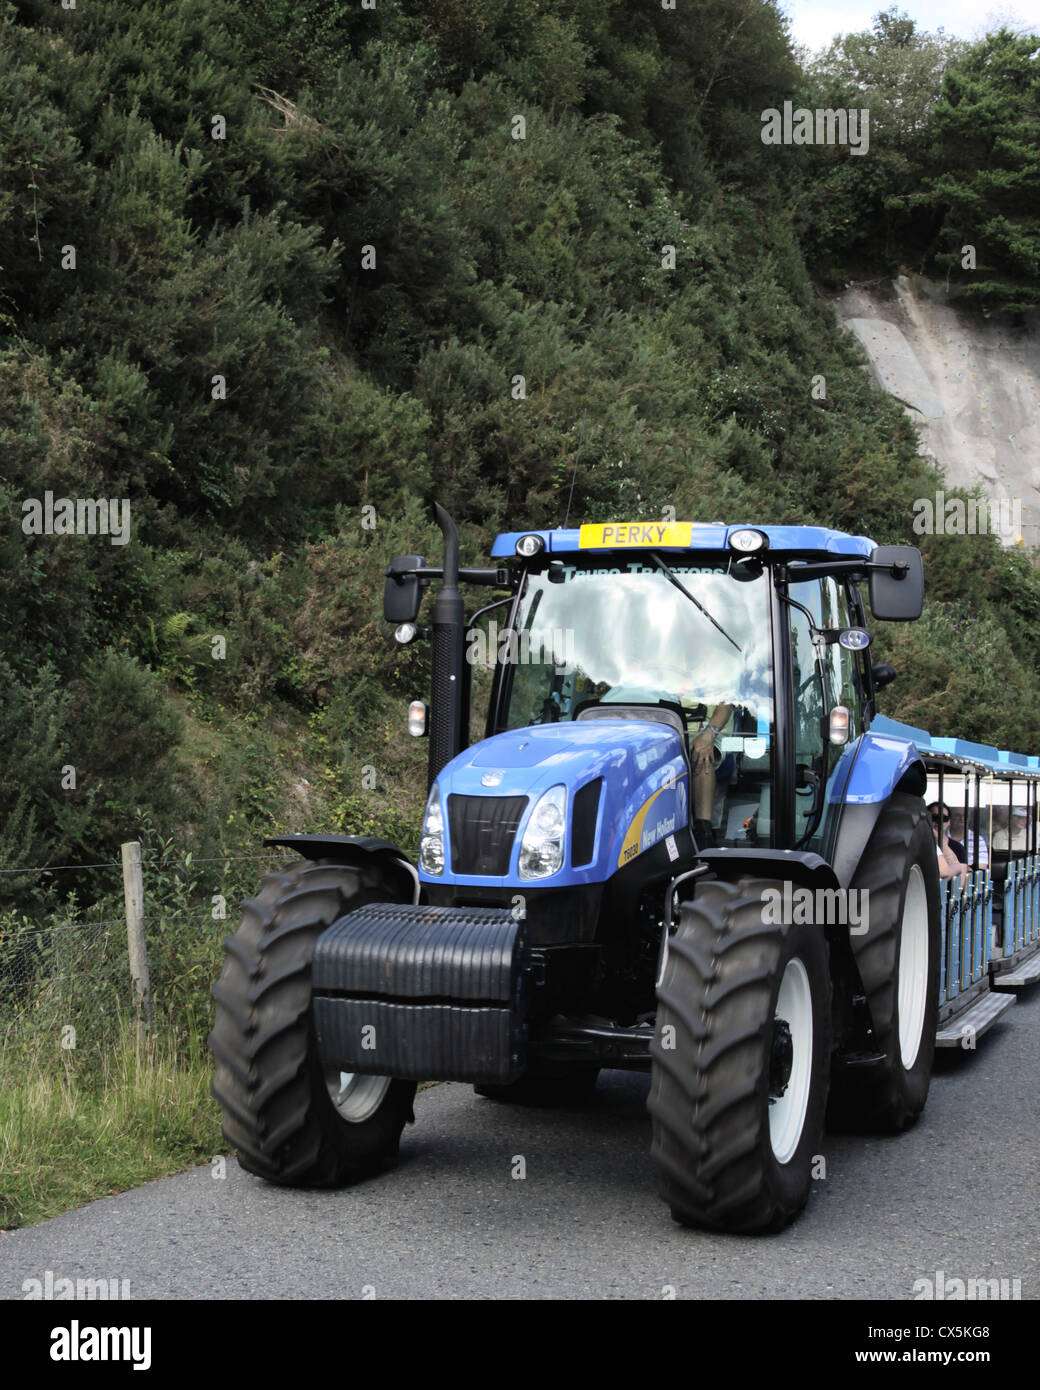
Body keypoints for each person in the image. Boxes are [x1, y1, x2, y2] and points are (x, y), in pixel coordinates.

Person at [690, 703, 734, 847]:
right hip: (670, 726)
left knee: (701, 754)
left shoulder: (717, 681)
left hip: (709, 730)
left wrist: (708, 734)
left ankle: (704, 832)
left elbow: (726, 705)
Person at [929, 803, 968, 885]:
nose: (939, 821)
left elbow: (960, 883)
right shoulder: (921, 844)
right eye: (934, 817)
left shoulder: (958, 848)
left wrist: (939, 840)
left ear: (949, 822)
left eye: (944, 818)